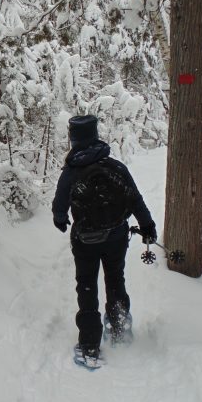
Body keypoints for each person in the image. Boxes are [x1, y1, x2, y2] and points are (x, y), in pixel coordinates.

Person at [51, 115, 156, 361]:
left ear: (74, 138)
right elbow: (135, 199)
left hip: (85, 240)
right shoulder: (115, 166)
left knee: (87, 285)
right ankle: (119, 326)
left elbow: (58, 208)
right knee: (115, 278)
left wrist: (61, 220)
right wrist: (147, 226)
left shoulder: (71, 172)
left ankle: (89, 344)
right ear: (95, 135)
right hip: (116, 235)